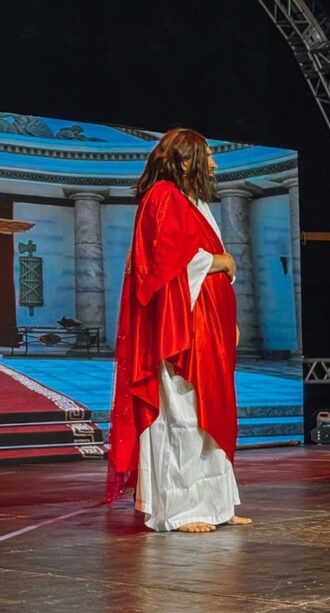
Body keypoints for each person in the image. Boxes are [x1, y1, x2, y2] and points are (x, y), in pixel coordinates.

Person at [106, 128, 251, 533]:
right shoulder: (163, 197)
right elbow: (164, 266)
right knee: (185, 413)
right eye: (208, 155)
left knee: (211, 410)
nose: (214, 164)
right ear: (185, 161)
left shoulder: (193, 201)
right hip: (180, 327)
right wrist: (220, 262)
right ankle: (181, 509)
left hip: (208, 325)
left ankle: (217, 505)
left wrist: (227, 319)